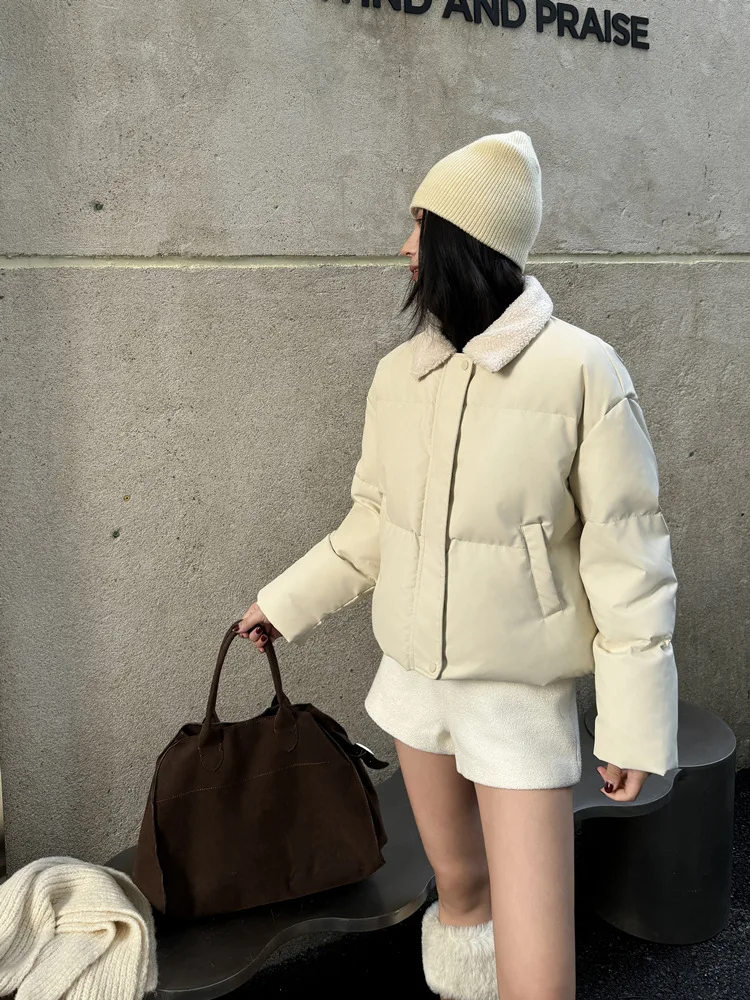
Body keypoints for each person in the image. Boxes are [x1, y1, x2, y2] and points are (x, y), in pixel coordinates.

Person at [234, 132, 679, 1000]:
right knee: (462, 892)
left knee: (537, 956)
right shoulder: (401, 376)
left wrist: (632, 726)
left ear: (465, 240)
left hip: (516, 698)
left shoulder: (583, 370)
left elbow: (629, 559)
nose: (405, 246)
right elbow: (373, 524)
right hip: (412, 682)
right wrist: (281, 604)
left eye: (420, 224)